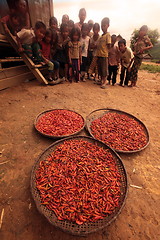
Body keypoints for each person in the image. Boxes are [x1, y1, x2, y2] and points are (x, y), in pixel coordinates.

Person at [96, 17, 111, 89]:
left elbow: (109, 45)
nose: (103, 27)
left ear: (108, 25)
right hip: (99, 54)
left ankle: (104, 81)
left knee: (104, 69)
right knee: (100, 68)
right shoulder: (101, 36)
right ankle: (101, 80)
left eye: (104, 26)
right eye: (102, 26)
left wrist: (107, 53)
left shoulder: (108, 35)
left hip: (104, 55)